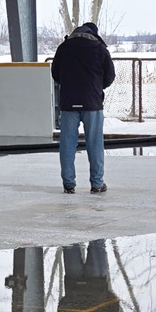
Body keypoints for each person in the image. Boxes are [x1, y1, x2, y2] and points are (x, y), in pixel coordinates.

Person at [50, 19, 114, 194]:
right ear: (94, 32)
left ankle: (69, 184)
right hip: (92, 103)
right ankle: (97, 183)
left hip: (68, 102)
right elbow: (110, 76)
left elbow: (55, 73)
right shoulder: (100, 49)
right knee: (95, 143)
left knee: (67, 144)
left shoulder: (64, 48)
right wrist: (96, 87)